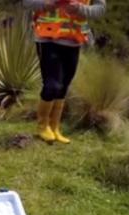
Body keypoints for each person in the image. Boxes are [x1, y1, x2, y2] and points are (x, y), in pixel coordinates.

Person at [23, 0, 106, 144]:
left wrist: (80, 8)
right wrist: (45, 5)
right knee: (52, 85)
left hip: (73, 39)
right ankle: (42, 127)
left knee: (64, 85)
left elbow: (100, 9)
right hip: (47, 38)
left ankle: (55, 128)